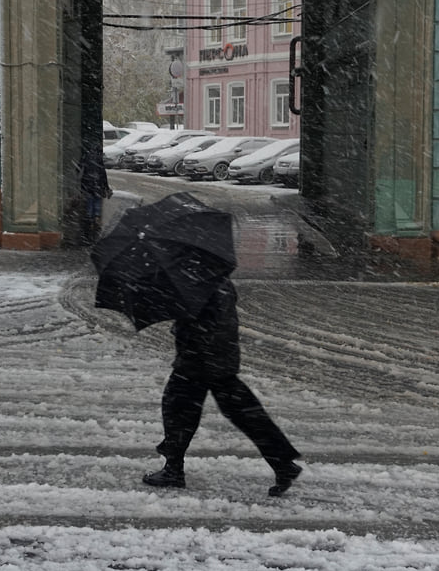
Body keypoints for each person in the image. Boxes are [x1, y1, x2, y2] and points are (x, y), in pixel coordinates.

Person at [142, 276, 303, 497]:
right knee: (244, 412)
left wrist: (178, 311)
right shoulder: (214, 277)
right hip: (218, 355)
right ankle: (282, 462)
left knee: (178, 409)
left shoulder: (199, 281)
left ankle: (173, 469)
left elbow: (197, 315)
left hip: (200, 357)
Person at [79, 148, 112, 244]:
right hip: (97, 188)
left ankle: (88, 231)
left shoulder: (85, 158)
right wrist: (106, 187)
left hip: (88, 188)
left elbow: (79, 170)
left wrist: (83, 187)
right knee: (97, 209)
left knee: (89, 208)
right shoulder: (99, 160)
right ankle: (95, 225)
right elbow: (103, 175)